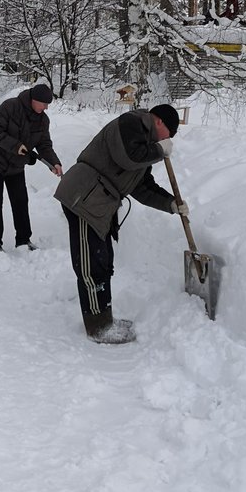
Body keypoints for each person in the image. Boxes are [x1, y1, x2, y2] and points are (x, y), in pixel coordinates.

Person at [54, 104, 186, 345]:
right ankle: (98, 327)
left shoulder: (144, 145)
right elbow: (129, 157)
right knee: (91, 265)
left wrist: (171, 204)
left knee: (102, 262)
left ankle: (105, 319)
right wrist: (158, 150)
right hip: (83, 199)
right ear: (159, 122)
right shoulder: (132, 123)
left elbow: (142, 187)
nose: (170, 140)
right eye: (170, 133)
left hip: (98, 204)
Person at [0, 83, 62, 255]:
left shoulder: (42, 120)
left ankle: (23, 239)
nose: (46, 107)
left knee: (20, 201)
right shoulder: (10, 107)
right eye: (44, 104)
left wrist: (54, 162)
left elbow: (44, 145)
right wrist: (16, 146)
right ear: (34, 100)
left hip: (15, 166)